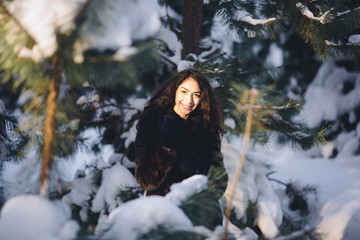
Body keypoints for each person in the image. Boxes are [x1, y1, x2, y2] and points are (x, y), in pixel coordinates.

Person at [134, 69, 228, 210]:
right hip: (165, 212)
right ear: (174, 90)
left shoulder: (207, 129)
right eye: (184, 92)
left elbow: (219, 184)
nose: (189, 101)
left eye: (196, 95)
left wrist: (197, 167)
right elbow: (146, 181)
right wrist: (164, 147)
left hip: (199, 214)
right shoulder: (152, 122)